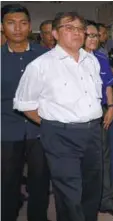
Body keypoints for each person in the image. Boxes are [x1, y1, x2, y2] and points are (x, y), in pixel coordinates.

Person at [14, 12, 103, 221]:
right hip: (60, 135)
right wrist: (51, 125)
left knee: (92, 189)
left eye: (80, 28)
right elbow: (25, 105)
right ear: (55, 33)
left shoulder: (91, 61)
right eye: (69, 28)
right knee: (70, 195)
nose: (76, 33)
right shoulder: (40, 66)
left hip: (92, 133)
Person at [1, 4, 50, 221]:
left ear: (29, 26)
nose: (17, 28)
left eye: (22, 23)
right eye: (11, 23)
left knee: (40, 180)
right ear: (2, 26)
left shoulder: (46, 57)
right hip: (6, 130)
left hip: (39, 129)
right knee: (7, 181)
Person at [83, 20, 113, 217]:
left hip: (101, 112)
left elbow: (108, 84)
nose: (93, 39)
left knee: (104, 158)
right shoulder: (73, 59)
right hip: (78, 117)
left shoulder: (100, 57)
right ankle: (85, 202)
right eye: (88, 35)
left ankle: (106, 200)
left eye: (95, 35)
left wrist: (111, 107)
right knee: (82, 162)